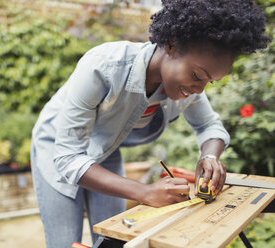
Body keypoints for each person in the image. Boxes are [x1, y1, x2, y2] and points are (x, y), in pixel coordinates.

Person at [30, 0, 270, 247]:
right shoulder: (103, 66)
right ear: (172, 44)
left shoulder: (190, 84)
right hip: (56, 149)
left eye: (209, 81)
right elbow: (68, 158)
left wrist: (209, 157)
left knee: (114, 239)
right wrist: (144, 192)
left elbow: (209, 126)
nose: (199, 89)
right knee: (64, 241)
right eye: (197, 76)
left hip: (105, 147)